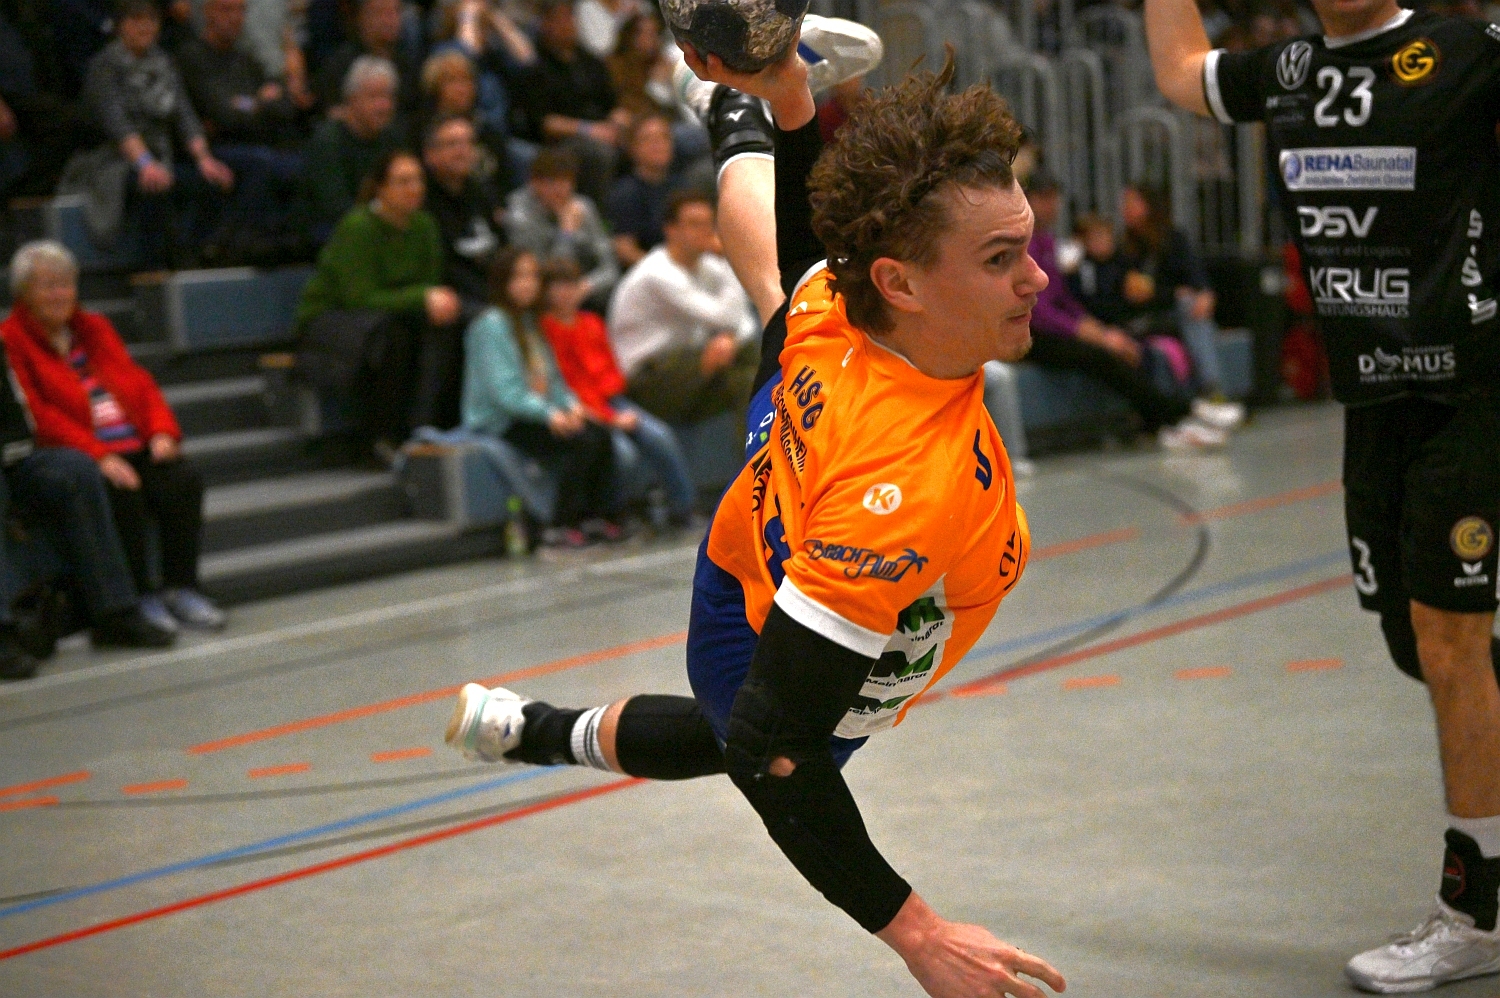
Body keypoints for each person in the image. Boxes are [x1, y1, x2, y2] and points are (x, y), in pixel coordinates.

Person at [445, 35, 1071, 998]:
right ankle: (734, 104)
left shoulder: (840, 306)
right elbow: (776, 754)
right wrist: (920, 934)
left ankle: (739, 104)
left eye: (1022, 245)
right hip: (788, 605)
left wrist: (790, 107)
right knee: (747, 740)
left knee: (784, 282)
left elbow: (811, 242)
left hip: (765, 502)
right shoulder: (899, 496)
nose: (1037, 279)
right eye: (1001, 258)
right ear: (901, 285)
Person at [1146, 0, 1500, 990]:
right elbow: (1178, 70)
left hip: (1469, 389)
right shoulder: (1290, 70)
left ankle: (1476, 911)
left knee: (1450, 638)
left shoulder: (1466, 52)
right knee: (1414, 643)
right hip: (1372, 400)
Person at [1, 240, 223, 636]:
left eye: (66, 284)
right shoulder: (11, 339)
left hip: (131, 440)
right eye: (48, 286)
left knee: (182, 478)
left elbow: (139, 383)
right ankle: (140, 595)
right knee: (120, 490)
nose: (60, 294)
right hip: (83, 449)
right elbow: (37, 415)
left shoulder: (95, 327)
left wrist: (161, 431)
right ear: (23, 293)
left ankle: (182, 588)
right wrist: (98, 454)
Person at [1024, 172, 1240, 449]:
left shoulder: (1048, 241)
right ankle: (1182, 414)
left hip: (1075, 323)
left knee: (1134, 347)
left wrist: (1097, 329)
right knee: (1105, 355)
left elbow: (1064, 299)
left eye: (1054, 198)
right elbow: (1040, 310)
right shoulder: (1026, 244)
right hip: (1031, 332)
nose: (1051, 206)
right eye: (1043, 198)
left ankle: (1175, 417)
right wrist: (1096, 334)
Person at [294, 150, 462, 456]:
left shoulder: (424, 224)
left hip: (390, 313)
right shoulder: (358, 226)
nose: (414, 188)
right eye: (403, 181)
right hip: (331, 318)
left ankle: (430, 428)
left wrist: (434, 300)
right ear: (380, 189)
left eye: (418, 180)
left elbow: (428, 281)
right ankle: (380, 437)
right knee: (394, 336)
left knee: (449, 323)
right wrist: (421, 297)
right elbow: (357, 297)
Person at [461, 248, 620, 546]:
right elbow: (505, 393)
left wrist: (572, 406)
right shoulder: (491, 325)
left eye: (533, 276)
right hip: (502, 421)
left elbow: (554, 380)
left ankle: (596, 517)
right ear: (503, 282)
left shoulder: (532, 323)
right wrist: (550, 414)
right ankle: (559, 524)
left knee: (599, 434)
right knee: (581, 442)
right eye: (519, 276)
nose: (527, 284)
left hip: (536, 410)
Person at [67, 0, 235, 267]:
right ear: (121, 26)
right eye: (136, 20)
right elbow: (117, 123)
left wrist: (204, 158)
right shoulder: (105, 65)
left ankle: (205, 256)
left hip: (163, 153)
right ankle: (156, 268)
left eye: (151, 20)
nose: (145, 27)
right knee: (154, 184)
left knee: (211, 180)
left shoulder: (164, 61)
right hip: (114, 158)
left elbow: (184, 115)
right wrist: (145, 163)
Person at [539, 257, 696, 526]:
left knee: (660, 436)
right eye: (558, 287)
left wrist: (614, 408)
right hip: (581, 407)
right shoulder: (546, 330)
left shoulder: (592, 322)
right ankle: (618, 517)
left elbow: (611, 371)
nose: (565, 293)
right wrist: (611, 418)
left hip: (612, 400)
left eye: (570, 285)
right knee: (623, 455)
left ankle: (683, 509)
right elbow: (565, 385)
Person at [607, 187, 759, 428]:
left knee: (753, 374)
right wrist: (730, 257)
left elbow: (744, 320)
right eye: (694, 224)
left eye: (709, 224)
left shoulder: (706, 265)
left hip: (686, 364)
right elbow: (727, 317)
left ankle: (767, 450)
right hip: (646, 378)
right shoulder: (657, 273)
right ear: (671, 230)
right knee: (749, 373)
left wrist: (731, 340)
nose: (706, 231)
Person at [175, 0, 304, 247]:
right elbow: (221, 111)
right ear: (208, 12)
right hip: (210, 149)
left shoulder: (245, 58)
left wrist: (247, 104)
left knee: (297, 160)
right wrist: (258, 101)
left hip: (253, 141)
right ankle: (229, 244)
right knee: (260, 162)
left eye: (240, 10)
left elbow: (285, 107)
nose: (234, 17)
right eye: (226, 9)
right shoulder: (192, 57)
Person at [1118, 184, 1235, 404]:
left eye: (1131, 202)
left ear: (1149, 206)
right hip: (1141, 317)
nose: (1125, 208)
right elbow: (1131, 295)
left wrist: (1205, 294)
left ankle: (1211, 391)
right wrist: (1171, 294)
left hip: (1171, 312)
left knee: (1193, 308)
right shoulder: (1124, 248)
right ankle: (1212, 391)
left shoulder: (1172, 238)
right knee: (1188, 308)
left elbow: (1195, 275)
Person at [514, 0, 629, 206]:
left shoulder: (591, 61)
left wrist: (619, 122)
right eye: (559, 20)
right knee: (599, 154)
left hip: (602, 129)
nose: (566, 25)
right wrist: (589, 130)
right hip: (564, 139)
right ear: (545, 24)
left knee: (645, 142)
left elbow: (612, 105)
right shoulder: (536, 68)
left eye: (569, 18)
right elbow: (544, 123)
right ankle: (596, 213)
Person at [298, 55, 402, 242]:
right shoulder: (328, 142)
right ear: (351, 99)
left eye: (388, 97)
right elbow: (335, 208)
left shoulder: (393, 138)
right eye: (374, 97)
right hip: (334, 237)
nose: (384, 106)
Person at [504, 146, 619, 309]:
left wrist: (584, 287)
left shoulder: (583, 207)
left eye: (566, 182)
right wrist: (566, 233)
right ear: (534, 183)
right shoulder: (520, 215)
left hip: (585, 292)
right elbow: (545, 276)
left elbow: (610, 268)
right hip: (542, 299)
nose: (561, 190)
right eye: (552, 183)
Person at [417, 49, 515, 193]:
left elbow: (503, 177)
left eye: (467, 80)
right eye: (452, 81)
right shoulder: (421, 128)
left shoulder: (486, 129)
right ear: (435, 86)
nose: (462, 89)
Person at [312, 0, 421, 124]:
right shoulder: (340, 65)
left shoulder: (407, 65)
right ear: (362, 18)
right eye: (381, 12)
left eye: (396, 11)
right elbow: (329, 111)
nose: (391, 20)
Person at [605, 113, 686, 269]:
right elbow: (624, 249)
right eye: (648, 139)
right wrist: (668, 271)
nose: (658, 145)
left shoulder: (683, 186)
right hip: (648, 272)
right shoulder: (625, 193)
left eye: (664, 138)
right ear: (632, 148)